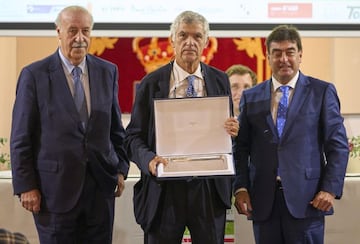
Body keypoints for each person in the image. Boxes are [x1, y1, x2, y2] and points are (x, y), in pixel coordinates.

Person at [10, 5, 129, 243]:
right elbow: (21, 136)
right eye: (72, 30)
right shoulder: (34, 75)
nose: (79, 38)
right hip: (53, 192)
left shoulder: (108, 71)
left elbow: (116, 129)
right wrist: (26, 186)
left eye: (85, 31)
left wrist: (120, 169)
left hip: (100, 191)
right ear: (58, 32)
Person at [125, 10, 239, 244]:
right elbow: (132, 137)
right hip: (163, 189)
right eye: (183, 35)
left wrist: (232, 131)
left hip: (208, 189)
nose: (190, 42)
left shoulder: (220, 80)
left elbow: (227, 136)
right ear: (172, 40)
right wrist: (148, 160)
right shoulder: (151, 83)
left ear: (206, 42)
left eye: (197, 36)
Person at [233, 24, 349, 244]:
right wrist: (240, 187)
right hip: (263, 202)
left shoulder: (322, 91)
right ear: (267, 56)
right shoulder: (251, 96)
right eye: (277, 53)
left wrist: (329, 189)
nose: (284, 59)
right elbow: (241, 148)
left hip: (308, 200)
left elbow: (338, 146)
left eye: (290, 52)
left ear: (300, 55)